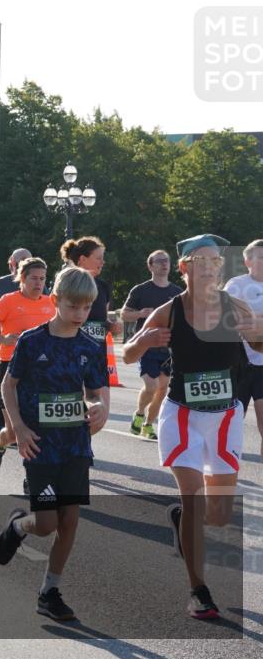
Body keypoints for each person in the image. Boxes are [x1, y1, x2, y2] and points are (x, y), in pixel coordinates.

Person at [123, 234, 263, 619]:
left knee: (218, 515)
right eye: (199, 260)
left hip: (225, 417)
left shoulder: (232, 306)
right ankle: (198, 589)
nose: (208, 266)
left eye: (215, 261)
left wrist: (258, 334)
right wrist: (146, 340)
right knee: (193, 498)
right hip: (181, 415)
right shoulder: (171, 310)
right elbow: (128, 352)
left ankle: (181, 521)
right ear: (184, 267)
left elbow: (259, 345)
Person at [0, 266, 109, 622]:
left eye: (86, 308)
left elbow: (94, 392)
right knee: (45, 523)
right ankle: (17, 527)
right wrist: (19, 428)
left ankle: (49, 591)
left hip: (74, 444)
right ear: (56, 301)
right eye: (73, 307)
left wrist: (98, 407)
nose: (80, 315)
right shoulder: (32, 341)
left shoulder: (90, 346)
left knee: (69, 520)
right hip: (39, 444)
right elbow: (9, 386)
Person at [0, 258, 57, 472]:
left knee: (39, 428)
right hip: (11, 366)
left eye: (42, 279)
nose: (38, 283)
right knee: (14, 432)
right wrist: (3, 339)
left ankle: (31, 477)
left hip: (43, 369)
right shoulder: (8, 300)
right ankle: (0, 444)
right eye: (34, 278)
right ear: (22, 278)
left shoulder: (51, 303)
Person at [122, 250, 183, 440]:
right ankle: (139, 413)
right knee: (151, 385)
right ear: (150, 266)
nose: (164, 264)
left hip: (168, 349)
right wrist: (141, 313)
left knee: (163, 388)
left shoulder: (177, 292)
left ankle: (148, 425)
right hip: (146, 345)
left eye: (167, 261)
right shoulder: (140, 290)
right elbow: (124, 314)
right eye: (160, 261)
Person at [224, 239, 263, 457]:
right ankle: (224, 470)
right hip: (238, 364)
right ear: (247, 261)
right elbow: (227, 319)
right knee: (232, 425)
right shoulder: (236, 285)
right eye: (260, 257)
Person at [60, 236, 123, 342]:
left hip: (97, 351)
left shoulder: (103, 287)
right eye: (98, 258)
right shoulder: (66, 284)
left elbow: (102, 318)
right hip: (71, 348)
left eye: (103, 258)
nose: (103, 262)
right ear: (82, 259)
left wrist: (111, 326)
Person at [0, 249, 33, 363]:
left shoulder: (38, 284)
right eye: (22, 261)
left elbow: (49, 307)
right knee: (5, 377)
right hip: (5, 339)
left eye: (28, 262)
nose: (25, 265)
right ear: (13, 263)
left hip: (32, 339)